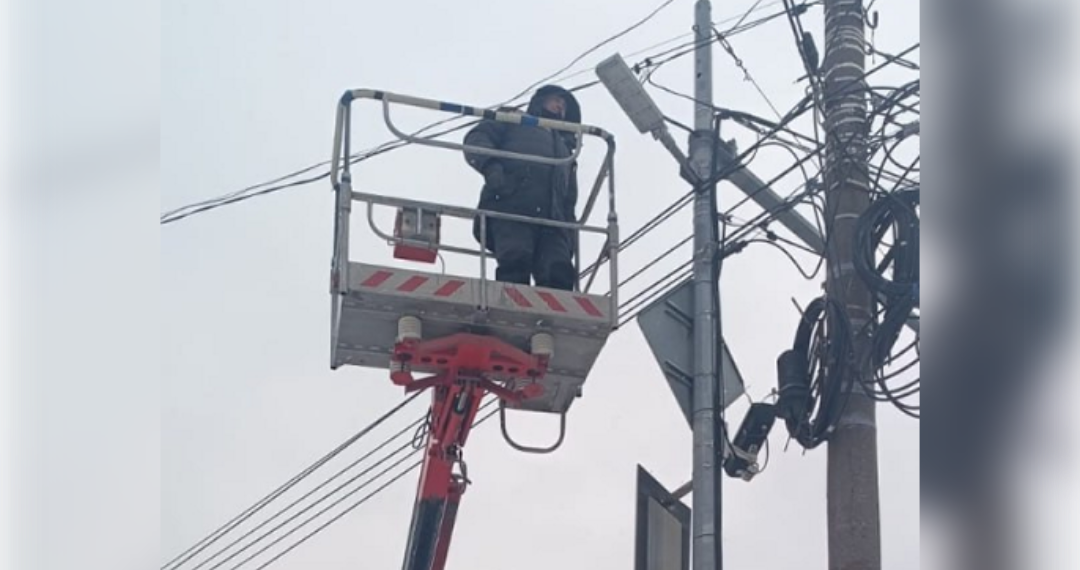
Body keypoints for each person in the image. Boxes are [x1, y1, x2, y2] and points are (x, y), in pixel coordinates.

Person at [462, 85, 581, 291]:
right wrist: (492, 168)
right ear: (540, 100)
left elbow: (568, 198)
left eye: (564, 105)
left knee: (559, 271)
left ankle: (554, 319)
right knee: (515, 260)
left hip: (552, 222)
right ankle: (511, 306)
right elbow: (477, 138)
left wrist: (569, 233)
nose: (560, 106)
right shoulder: (513, 119)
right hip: (511, 206)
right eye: (556, 100)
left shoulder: (565, 151)